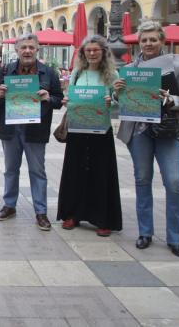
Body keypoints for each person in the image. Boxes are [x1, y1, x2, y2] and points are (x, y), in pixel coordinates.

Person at [114, 19, 179, 258]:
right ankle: (145, 232)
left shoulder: (175, 66)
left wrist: (171, 100)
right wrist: (118, 92)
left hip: (168, 131)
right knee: (142, 180)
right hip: (139, 132)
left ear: (161, 41)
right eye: (144, 40)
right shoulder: (130, 69)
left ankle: (175, 238)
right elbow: (121, 103)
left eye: (153, 39)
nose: (148, 43)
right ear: (139, 43)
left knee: (174, 182)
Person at [0, 33, 63, 230]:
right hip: (10, 128)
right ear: (17, 50)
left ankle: (41, 212)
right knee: (10, 169)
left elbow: (58, 99)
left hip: (36, 129)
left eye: (31, 47)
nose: (27, 51)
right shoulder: (6, 70)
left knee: (37, 171)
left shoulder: (48, 73)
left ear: (37, 49)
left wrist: (49, 98)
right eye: (23, 47)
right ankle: (9, 205)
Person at [56, 35, 122, 237]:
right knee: (75, 172)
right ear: (83, 53)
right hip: (78, 129)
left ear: (103, 52)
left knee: (101, 173)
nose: (92, 53)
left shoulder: (112, 75)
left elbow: (120, 103)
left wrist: (112, 102)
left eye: (96, 50)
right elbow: (71, 97)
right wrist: (67, 101)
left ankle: (102, 218)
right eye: (88, 50)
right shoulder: (77, 73)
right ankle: (72, 214)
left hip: (101, 130)